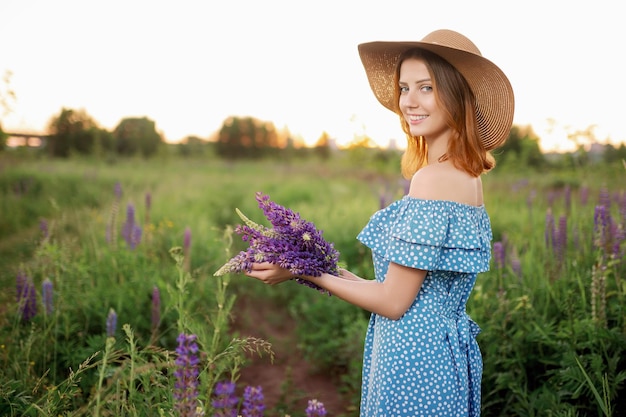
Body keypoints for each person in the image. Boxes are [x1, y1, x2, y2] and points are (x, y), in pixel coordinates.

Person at [245, 29, 514, 417]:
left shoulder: (433, 180)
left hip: (413, 363)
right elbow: (406, 291)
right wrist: (313, 264)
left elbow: (393, 302)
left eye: (426, 87)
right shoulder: (464, 177)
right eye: (405, 87)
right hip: (442, 356)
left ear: (456, 94)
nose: (409, 101)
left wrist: (299, 272)